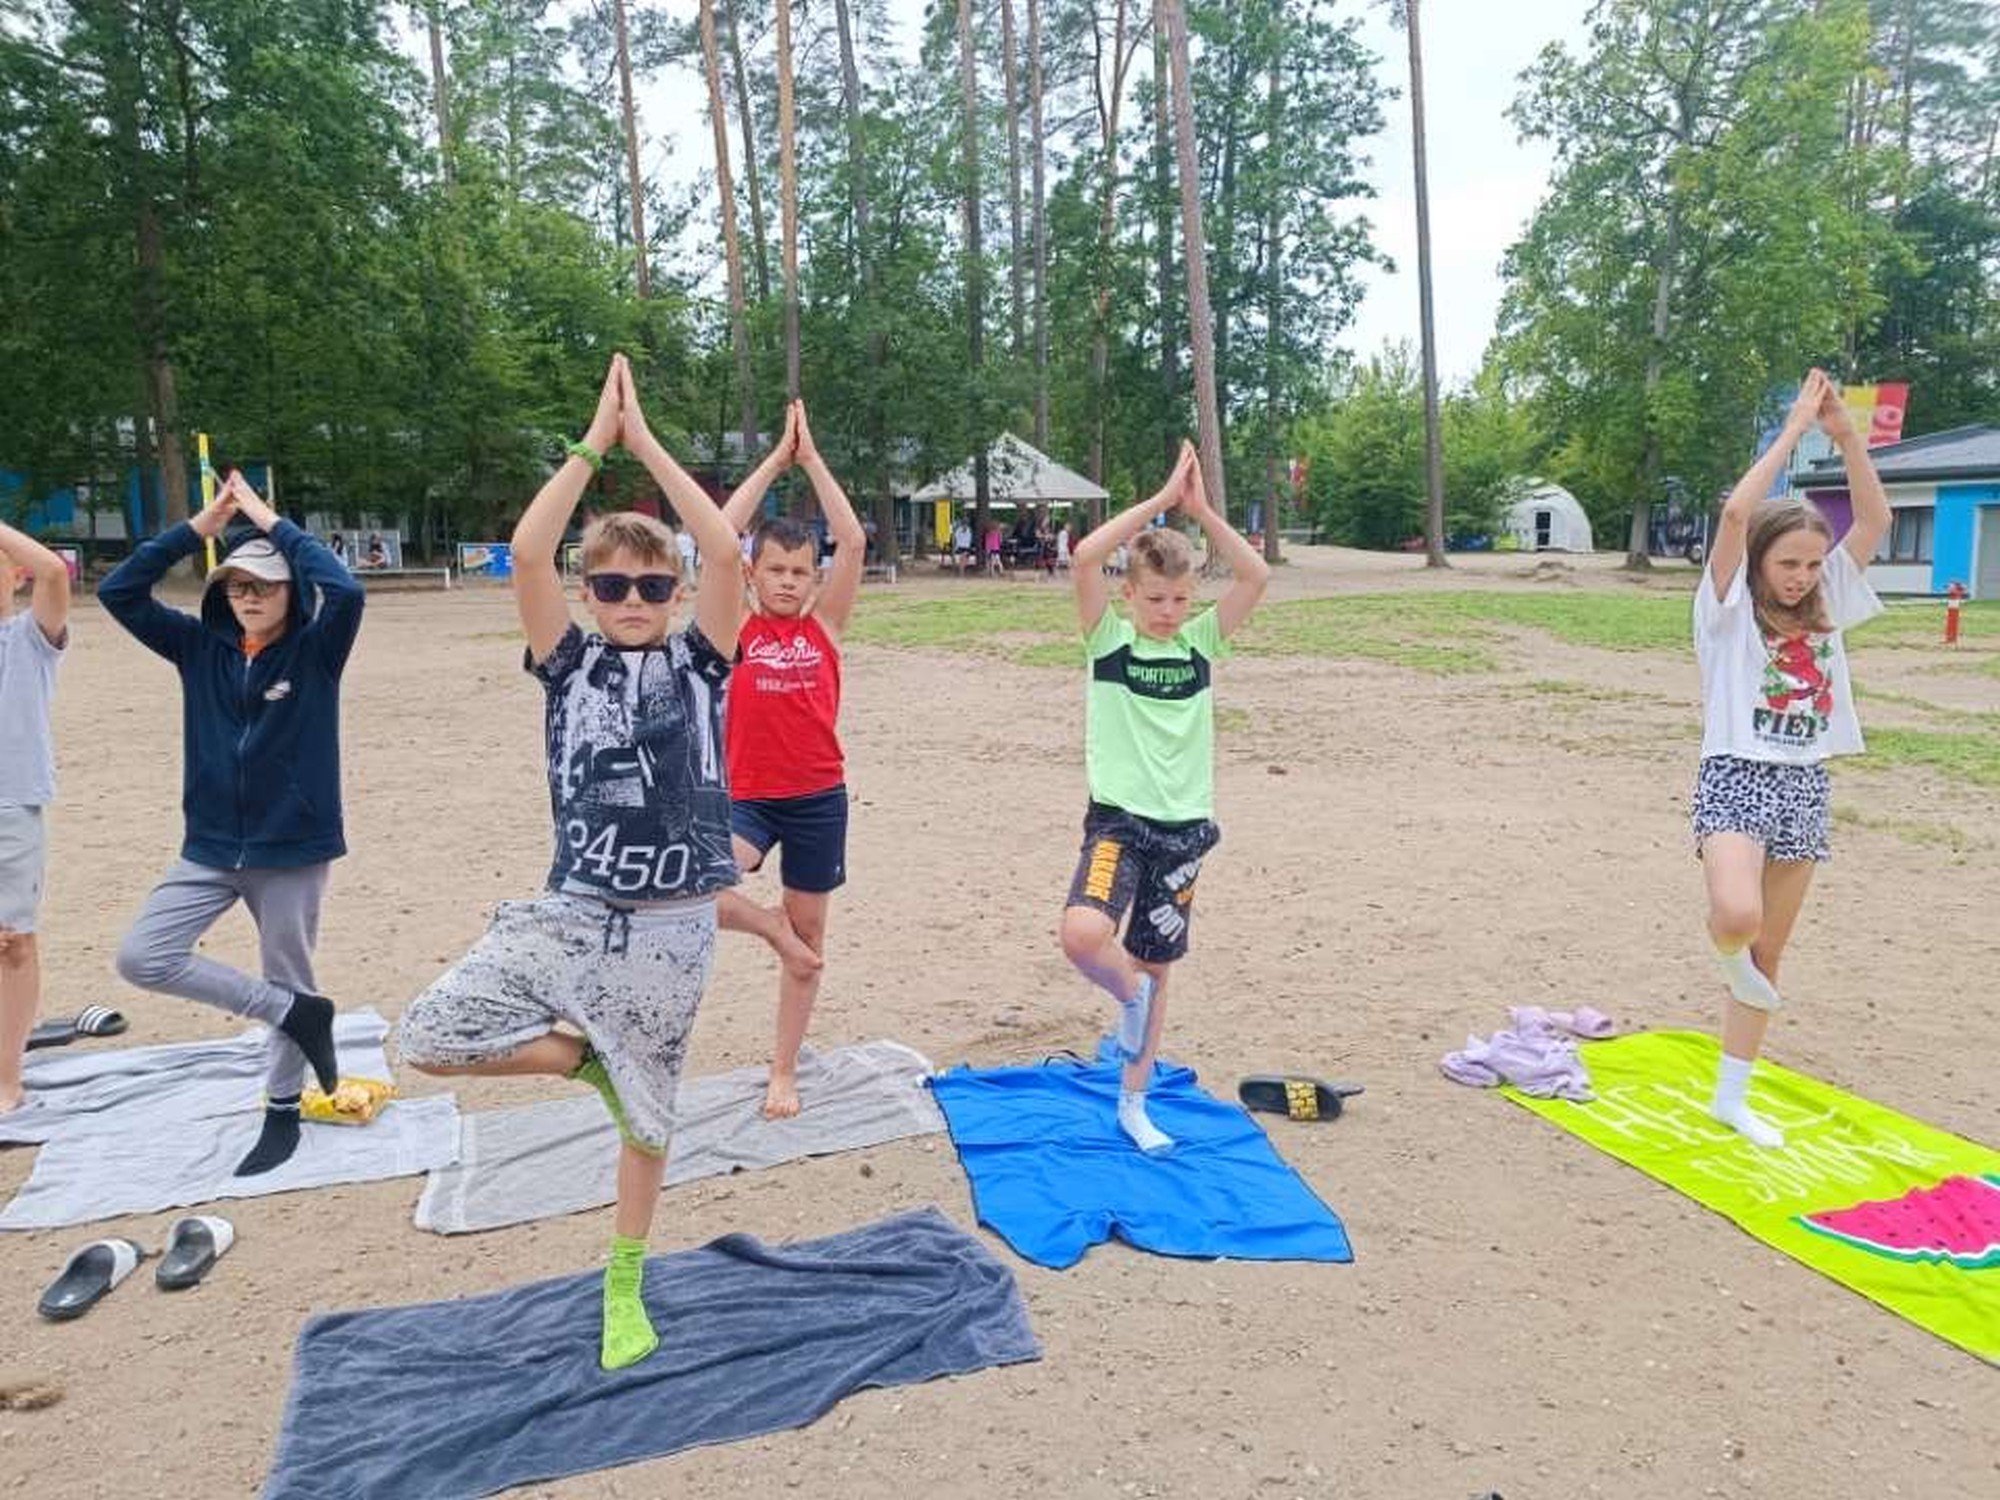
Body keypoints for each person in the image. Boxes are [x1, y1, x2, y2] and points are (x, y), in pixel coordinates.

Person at [396, 355, 744, 1371]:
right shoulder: (569, 663)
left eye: (652, 584)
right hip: (575, 911)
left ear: (675, 592)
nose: (632, 597)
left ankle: (623, 1281)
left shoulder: (698, 661)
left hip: (673, 928)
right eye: (612, 584)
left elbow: (726, 551)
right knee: (429, 1035)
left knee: (650, 1126)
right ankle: (587, 1061)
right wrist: (594, 444)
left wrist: (650, 446)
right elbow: (526, 550)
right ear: (588, 593)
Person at [99, 470, 364, 1174]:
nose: (249, 598)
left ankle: (282, 1110)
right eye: (237, 586)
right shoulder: (197, 648)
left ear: (291, 593)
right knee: (143, 956)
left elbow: (346, 591)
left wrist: (274, 525)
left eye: (265, 586)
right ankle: (293, 1012)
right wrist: (197, 530)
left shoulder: (316, 652)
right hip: (211, 846)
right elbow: (118, 591)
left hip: (292, 848)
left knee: (290, 970)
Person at [1691, 369, 1890, 1148]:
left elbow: (1874, 518)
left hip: (1805, 783)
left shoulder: (1827, 599)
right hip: (1736, 774)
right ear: (1759, 563)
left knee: (1769, 950)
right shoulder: (1726, 610)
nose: (1804, 576)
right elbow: (1737, 513)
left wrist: (1846, 435)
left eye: (1812, 564)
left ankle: (1732, 1097)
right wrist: (1794, 431)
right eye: (1789, 564)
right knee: (1737, 918)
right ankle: (1727, 959)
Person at [1059, 443, 1269, 1154]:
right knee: (1084, 935)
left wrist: (1202, 512)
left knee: (1157, 962)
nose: (1169, 612)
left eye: (1180, 599)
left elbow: (1256, 574)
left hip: (1184, 832)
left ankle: (1134, 1102)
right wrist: (1157, 504)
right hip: (1119, 823)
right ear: (1129, 595)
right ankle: (1130, 996)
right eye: (1155, 599)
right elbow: (1086, 556)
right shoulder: (1108, 643)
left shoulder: (1201, 643)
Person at [715, 401, 865, 1119]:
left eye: (800, 571)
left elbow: (853, 540)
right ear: (751, 573)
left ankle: (783, 1069)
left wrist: (812, 461)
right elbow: (717, 536)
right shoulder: (731, 628)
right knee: (696, 888)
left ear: (813, 578)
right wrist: (776, 459)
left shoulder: (825, 627)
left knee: (811, 942)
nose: (787, 581)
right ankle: (770, 927)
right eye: (774, 569)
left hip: (817, 800)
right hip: (747, 797)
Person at [0, 519, 72, 1115]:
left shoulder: (28, 639)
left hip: (10, 803)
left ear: (14, 576)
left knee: (11, 943)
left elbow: (53, 570)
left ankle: (6, 1078)